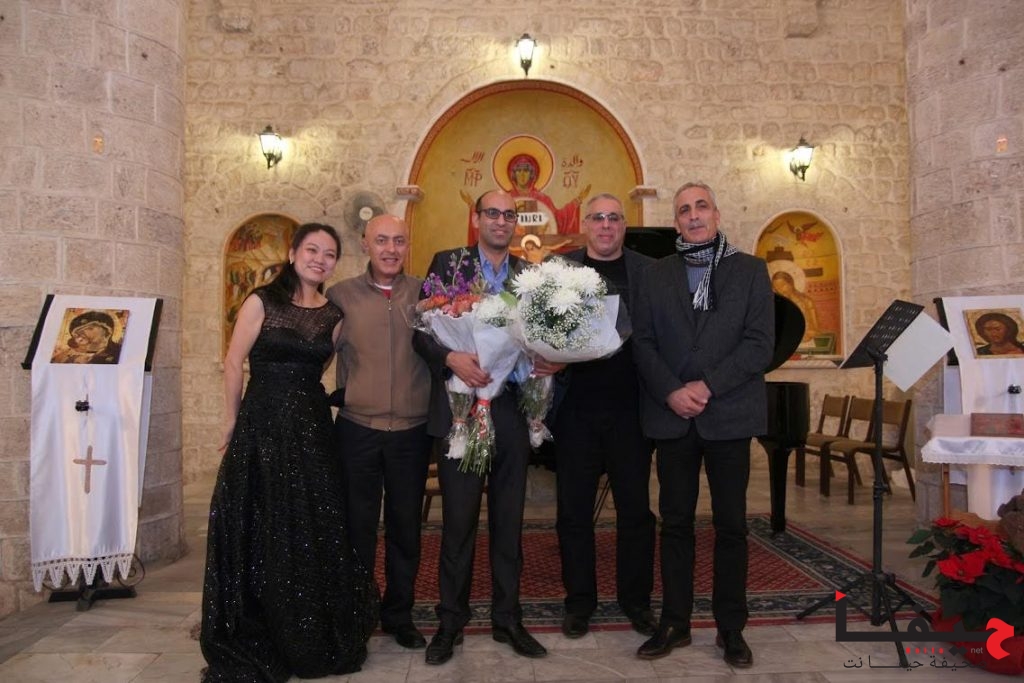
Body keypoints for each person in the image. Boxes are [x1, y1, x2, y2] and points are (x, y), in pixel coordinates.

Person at [201, 223, 378, 682]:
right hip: (262, 425)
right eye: (312, 250)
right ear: (294, 252)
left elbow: (318, 369)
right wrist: (231, 418)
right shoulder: (262, 301)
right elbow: (233, 362)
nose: (320, 259)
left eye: (329, 254)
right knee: (263, 520)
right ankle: (263, 621)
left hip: (312, 429)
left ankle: (306, 623)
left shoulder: (333, 315)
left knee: (311, 522)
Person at [412, 189, 558, 665]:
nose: (501, 221)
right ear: (476, 219)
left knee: (509, 521)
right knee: (457, 522)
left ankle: (507, 618)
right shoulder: (449, 263)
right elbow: (420, 332)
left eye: (509, 215)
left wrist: (549, 357)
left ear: (515, 223)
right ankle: (450, 622)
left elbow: (546, 336)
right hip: (461, 407)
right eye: (492, 213)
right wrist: (450, 356)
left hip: (510, 409)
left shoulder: (530, 277)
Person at [630, 182, 773, 668]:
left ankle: (731, 627)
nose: (693, 216)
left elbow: (759, 344)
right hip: (673, 418)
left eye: (701, 207)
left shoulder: (750, 270)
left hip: (728, 415)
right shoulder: (654, 275)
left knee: (731, 526)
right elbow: (643, 343)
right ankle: (675, 621)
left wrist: (707, 386)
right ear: (676, 221)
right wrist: (672, 391)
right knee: (675, 524)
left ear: (716, 213)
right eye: (684, 210)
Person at [550, 193, 657, 639]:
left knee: (635, 512)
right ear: (586, 224)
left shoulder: (649, 272)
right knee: (573, 513)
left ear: (624, 226)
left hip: (632, 411)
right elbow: (539, 328)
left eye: (614, 218)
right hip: (575, 411)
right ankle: (579, 602)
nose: (606, 225)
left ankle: (636, 601)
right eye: (598, 217)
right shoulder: (560, 269)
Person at [326, 215, 433, 651]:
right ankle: (357, 614)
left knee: (406, 528)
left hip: (412, 432)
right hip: (357, 430)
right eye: (382, 240)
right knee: (358, 529)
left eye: (399, 241)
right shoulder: (339, 297)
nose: (391, 249)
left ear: (408, 245)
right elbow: (316, 353)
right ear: (365, 244)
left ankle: (399, 615)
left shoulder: (426, 294)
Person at [51, 310, 122, 364]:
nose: (81, 337)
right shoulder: (71, 356)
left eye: (90, 328)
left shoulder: (119, 352)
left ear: (107, 331)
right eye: (77, 335)